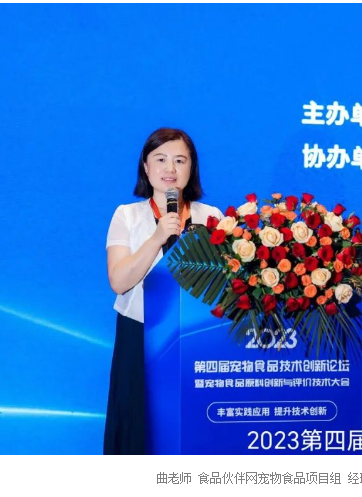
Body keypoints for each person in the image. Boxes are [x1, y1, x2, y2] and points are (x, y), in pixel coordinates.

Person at [103, 127, 223, 454]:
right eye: (161, 159)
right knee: (142, 421)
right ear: (146, 166)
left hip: (195, 334)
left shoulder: (211, 217)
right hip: (141, 333)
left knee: (192, 420)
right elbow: (119, 281)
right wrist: (157, 237)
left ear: (191, 168)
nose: (170, 169)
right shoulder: (127, 216)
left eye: (180, 160)